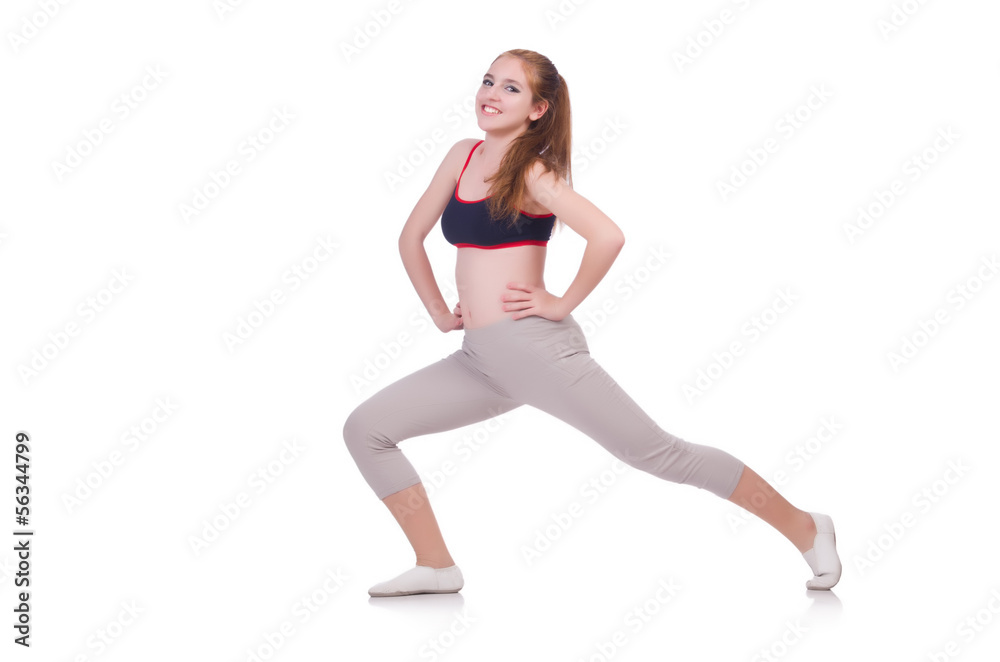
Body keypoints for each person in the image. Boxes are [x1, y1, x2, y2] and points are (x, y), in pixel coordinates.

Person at [343, 49, 841, 597]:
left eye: (511, 88)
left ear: (538, 109)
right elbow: (408, 238)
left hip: (537, 350)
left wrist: (560, 304)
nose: (491, 93)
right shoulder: (461, 155)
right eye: (489, 80)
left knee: (658, 453)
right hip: (480, 360)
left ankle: (805, 526)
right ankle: (436, 565)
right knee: (367, 429)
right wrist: (440, 312)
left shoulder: (532, 171)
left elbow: (607, 235)